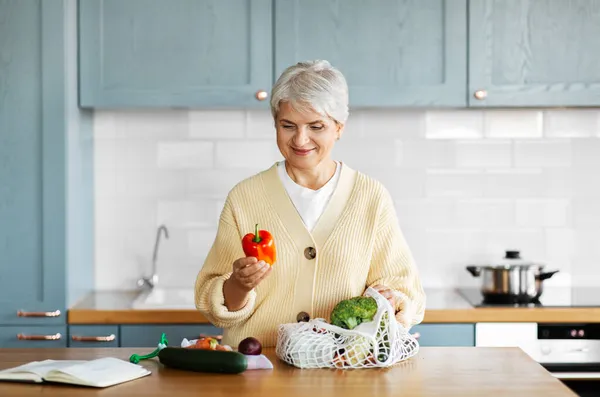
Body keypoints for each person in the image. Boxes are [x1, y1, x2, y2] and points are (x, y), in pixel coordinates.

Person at [194, 60, 426, 348]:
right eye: (287, 125)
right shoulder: (245, 197)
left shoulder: (370, 197)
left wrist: (391, 300)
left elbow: (405, 291)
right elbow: (214, 301)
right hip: (259, 371)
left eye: (316, 126)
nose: (300, 140)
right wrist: (239, 286)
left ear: (339, 127)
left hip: (339, 371)